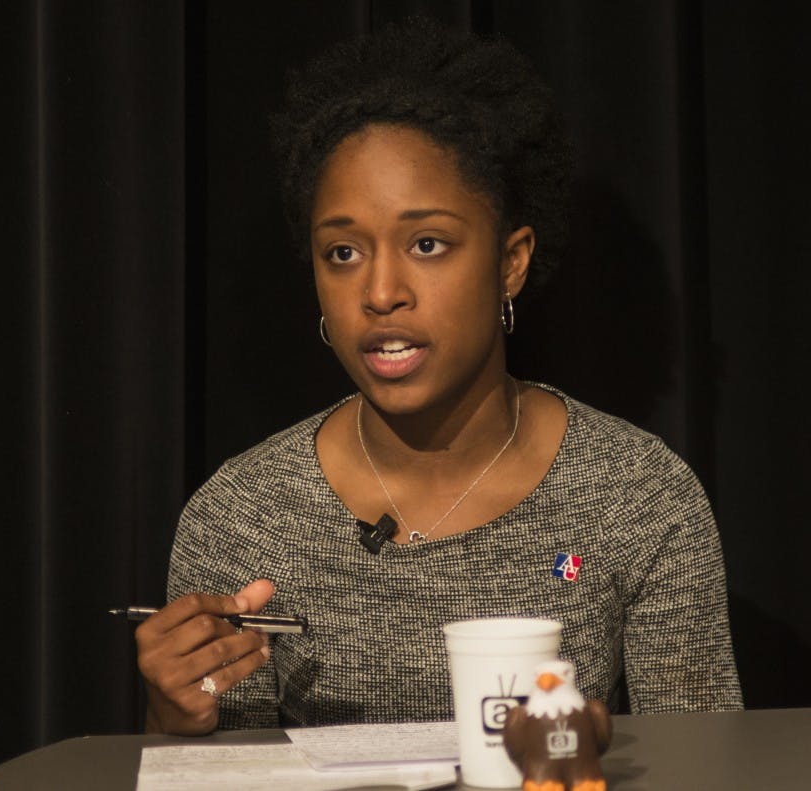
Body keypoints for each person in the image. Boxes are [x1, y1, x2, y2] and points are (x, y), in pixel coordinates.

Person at [135, 19, 742, 736]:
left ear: (510, 262)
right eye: (342, 253)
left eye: (427, 243)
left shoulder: (636, 493)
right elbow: (215, 771)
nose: (380, 292)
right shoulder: (241, 516)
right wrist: (175, 717)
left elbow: (704, 760)